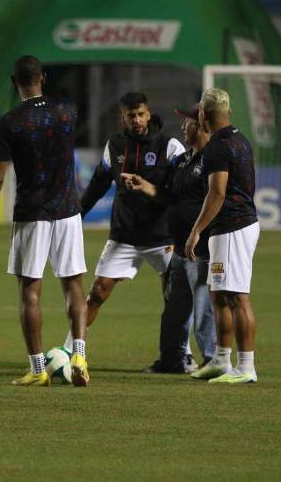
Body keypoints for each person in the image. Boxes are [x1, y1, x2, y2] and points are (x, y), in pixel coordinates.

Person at [0, 56, 89, 387]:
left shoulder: (9, 123)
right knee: (73, 283)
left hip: (32, 213)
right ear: (43, 77)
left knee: (30, 292)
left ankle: (38, 369)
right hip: (68, 209)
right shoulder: (68, 111)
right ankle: (79, 353)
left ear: (14, 82)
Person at [63, 92, 187, 368]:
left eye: (141, 114)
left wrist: (148, 187)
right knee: (98, 291)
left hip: (162, 236)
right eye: (131, 115)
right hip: (125, 235)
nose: (137, 120)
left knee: (174, 298)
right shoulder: (116, 146)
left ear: (148, 112)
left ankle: (182, 354)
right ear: (123, 117)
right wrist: (75, 217)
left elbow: (179, 193)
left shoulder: (170, 146)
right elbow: (97, 184)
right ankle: (69, 350)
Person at [121, 105, 217, 372]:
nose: (183, 128)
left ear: (202, 126)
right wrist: (146, 187)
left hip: (201, 248)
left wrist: (200, 233)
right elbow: (170, 197)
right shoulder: (185, 160)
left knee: (204, 310)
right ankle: (173, 360)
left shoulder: (213, 160)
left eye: (188, 122)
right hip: (178, 247)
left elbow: (217, 200)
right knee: (174, 310)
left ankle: (212, 360)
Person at [186, 88, 260, 384]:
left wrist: (196, 231)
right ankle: (220, 360)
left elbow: (217, 194)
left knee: (237, 297)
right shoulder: (239, 139)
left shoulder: (217, 147)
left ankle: (246, 368)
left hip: (233, 226)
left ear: (204, 114)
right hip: (230, 227)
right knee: (218, 294)